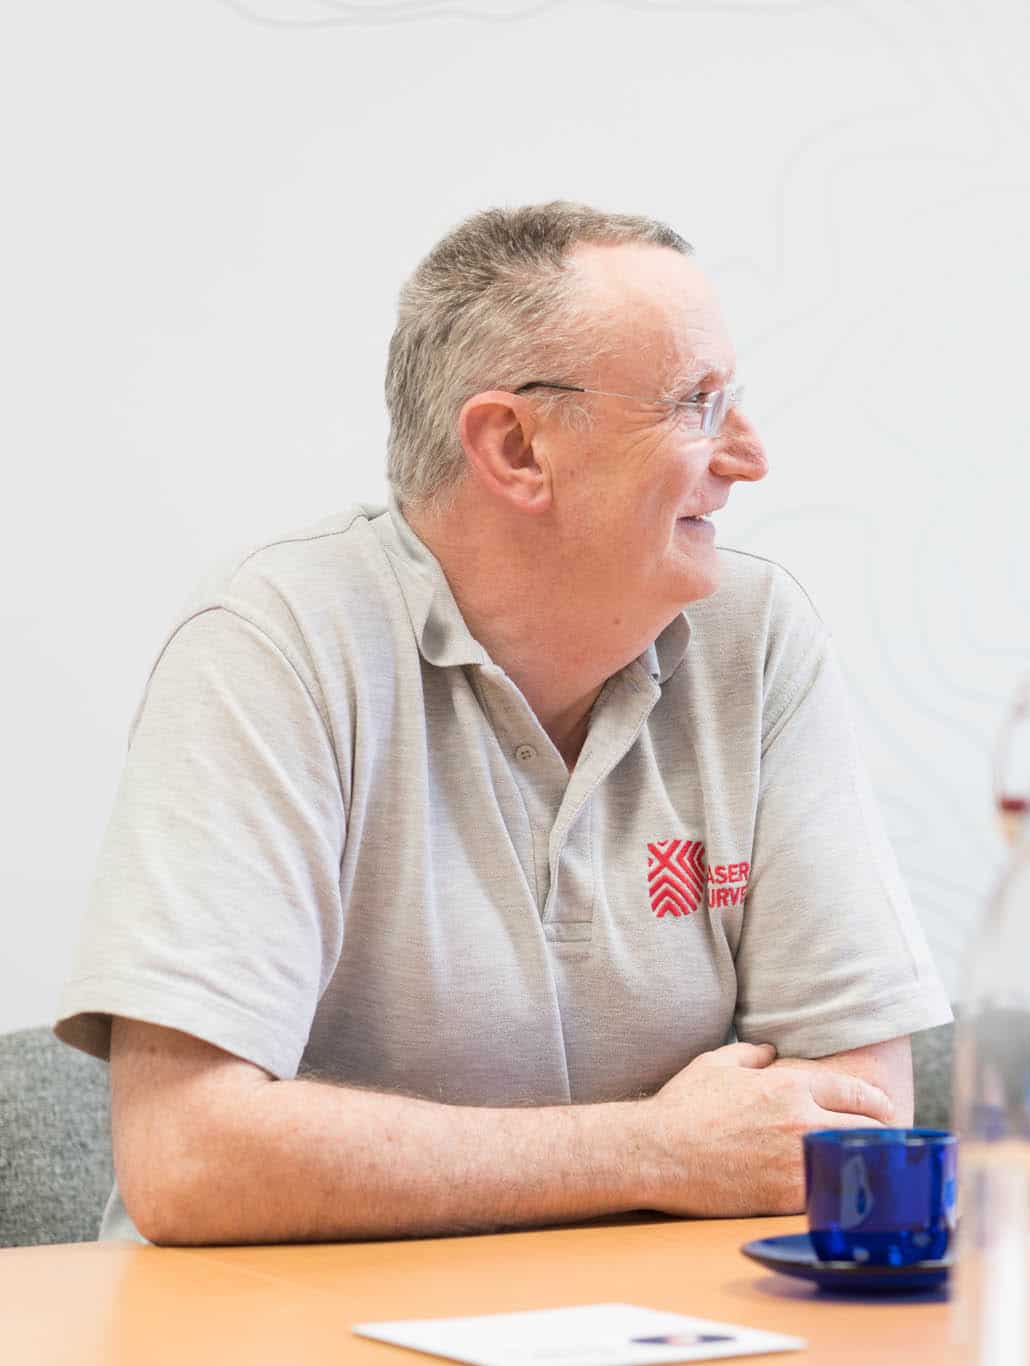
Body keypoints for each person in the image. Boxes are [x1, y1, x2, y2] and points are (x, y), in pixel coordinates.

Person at [55, 202, 950, 1244]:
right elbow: (189, 1157)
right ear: (516, 446)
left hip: (647, 1320)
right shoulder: (274, 642)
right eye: (695, 406)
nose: (746, 457)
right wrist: (654, 1149)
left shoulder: (752, 635)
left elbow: (858, 1113)